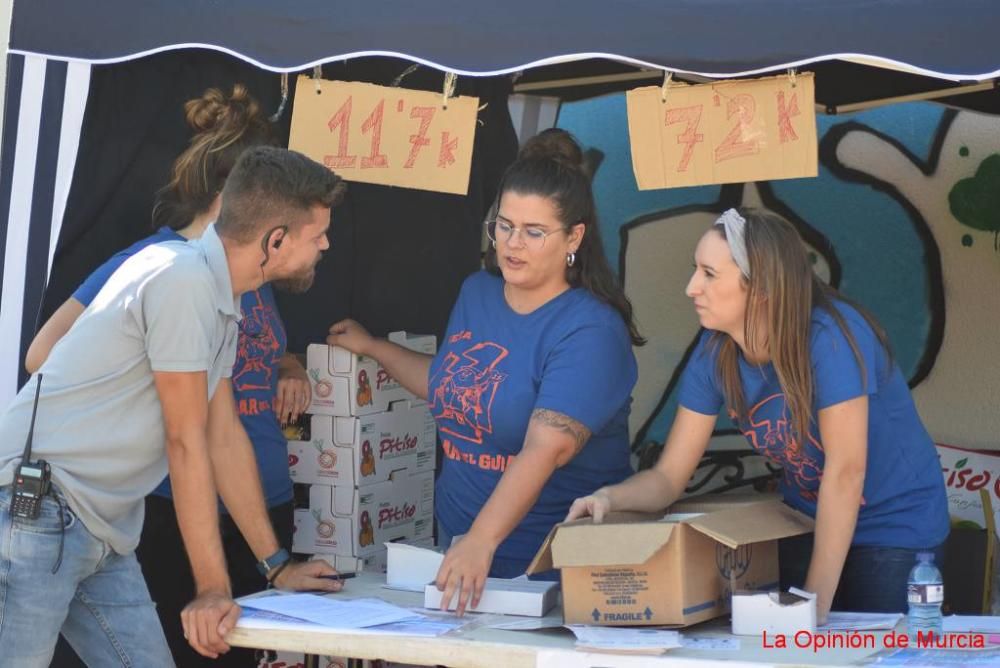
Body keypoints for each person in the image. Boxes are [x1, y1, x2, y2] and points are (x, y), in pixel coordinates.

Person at [0, 146, 347, 666]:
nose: (325, 244)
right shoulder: (183, 279)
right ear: (275, 240)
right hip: (40, 513)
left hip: (102, 527)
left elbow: (223, 437)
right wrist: (212, 589)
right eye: (316, 233)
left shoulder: (219, 295)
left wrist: (274, 567)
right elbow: (186, 442)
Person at [566, 207, 950, 623]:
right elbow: (668, 478)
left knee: (861, 650)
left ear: (762, 286)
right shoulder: (714, 354)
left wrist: (813, 605)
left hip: (895, 528)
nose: (691, 287)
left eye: (709, 274)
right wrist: (610, 497)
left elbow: (846, 472)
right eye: (695, 270)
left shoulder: (831, 338)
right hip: (807, 522)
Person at [328, 129, 643, 615]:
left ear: (574, 237)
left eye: (534, 232)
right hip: (462, 562)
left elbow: (545, 447)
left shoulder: (590, 329)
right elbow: (453, 386)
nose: (513, 244)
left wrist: (481, 540)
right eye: (504, 225)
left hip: (551, 577)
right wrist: (375, 348)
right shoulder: (477, 292)